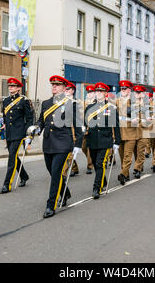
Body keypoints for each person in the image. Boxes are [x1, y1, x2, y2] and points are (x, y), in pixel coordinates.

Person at [32, 76, 84, 218]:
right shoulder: (46, 103)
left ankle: (51, 205)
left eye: (57, 84)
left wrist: (78, 144)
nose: (54, 87)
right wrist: (36, 127)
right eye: (53, 84)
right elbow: (42, 120)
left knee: (55, 174)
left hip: (63, 143)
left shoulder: (70, 104)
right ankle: (65, 192)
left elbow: (78, 124)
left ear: (64, 87)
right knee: (52, 171)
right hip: (48, 143)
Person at [84, 83, 121, 199]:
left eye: (101, 91)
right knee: (95, 163)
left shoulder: (111, 108)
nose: (98, 93)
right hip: (92, 139)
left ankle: (97, 188)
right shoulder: (89, 108)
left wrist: (117, 142)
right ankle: (102, 181)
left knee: (100, 163)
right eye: (97, 91)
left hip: (105, 140)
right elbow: (85, 124)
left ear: (105, 93)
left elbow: (116, 126)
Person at [0, 78, 33, 194]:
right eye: (9, 86)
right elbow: (5, 116)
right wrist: (3, 124)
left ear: (19, 88)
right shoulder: (6, 101)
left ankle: (6, 184)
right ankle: (24, 176)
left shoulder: (23, 100)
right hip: (9, 133)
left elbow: (29, 118)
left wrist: (28, 133)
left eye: (13, 86)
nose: (10, 88)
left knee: (11, 157)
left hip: (19, 133)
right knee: (13, 157)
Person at [116, 80, 140, 185]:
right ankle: (126, 174)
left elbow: (138, 116)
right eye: (121, 89)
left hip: (131, 133)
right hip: (120, 132)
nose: (122, 91)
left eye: (124, 89)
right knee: (121, 156)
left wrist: (135, 120)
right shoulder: (117, 101)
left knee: (127, 156)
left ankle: (122, 174)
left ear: (129, 90)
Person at [62, 81, 80, 178]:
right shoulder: (61, 102)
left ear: (72, 91)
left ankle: (63, 173)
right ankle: (74, 167)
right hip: (62, 131)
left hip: (72, 131)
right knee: (68, 152)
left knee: (68, 153)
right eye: (65, 89)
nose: (66, 91)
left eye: (68, 89)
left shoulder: (76, 103)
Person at [82, 85, 96, 175]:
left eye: (91, 92)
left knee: (89, 148)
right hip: (84, 129)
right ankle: (92, 160)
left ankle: (90, 166)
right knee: (83, 148)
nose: (89, 94)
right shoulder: (83, 103)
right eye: (88, 93)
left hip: (92, 129)